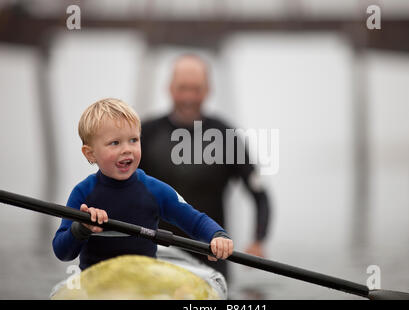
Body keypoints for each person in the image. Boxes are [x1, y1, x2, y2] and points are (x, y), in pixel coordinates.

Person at [52, 98, 233, 271]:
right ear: (90, 154)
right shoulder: (83, 194)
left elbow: (196, 221)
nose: (127, 149)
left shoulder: (154, 190)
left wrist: (217, 236)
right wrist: (81, 227)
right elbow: (63, 253)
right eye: (115, 143)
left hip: (144, 284)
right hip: (96, 287)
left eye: (133, 140)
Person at [139, 54, 270, 280]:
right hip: (155, 259)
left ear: (208, 90)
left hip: (210, 262)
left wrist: (258, 240)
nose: (189, 96)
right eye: (183, 88)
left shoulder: (226, 136)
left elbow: (260, 195)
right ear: (169, 88)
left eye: (196, 89)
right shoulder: (145, 134)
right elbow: (117, 185)